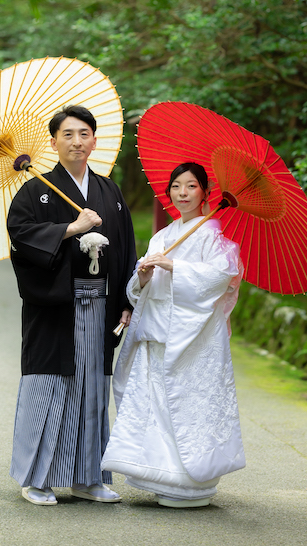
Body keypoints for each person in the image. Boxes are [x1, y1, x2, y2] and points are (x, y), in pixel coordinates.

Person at [7, 105, 136, 506]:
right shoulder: (35, 189)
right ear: (53, 142)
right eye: (68, 135)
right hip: (57, 307)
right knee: (50, 387)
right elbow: (21, 236)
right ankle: (37, 479)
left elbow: (126, 250)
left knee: (92, 391)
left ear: (94, 141)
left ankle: (88, 477)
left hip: (100, 306)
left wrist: (126, 300)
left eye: (84, 134)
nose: (77, 142)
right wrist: (69, 229)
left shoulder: (109, 192)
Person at [101, 162, 245, 508]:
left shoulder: (212, 235)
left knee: (186, 404)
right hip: (157, 331)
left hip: (193, 338)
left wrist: (176, 267)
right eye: (176, 186)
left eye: (191, 186)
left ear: (204, 193)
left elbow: (221, 275)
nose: (183, 193)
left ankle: (192, 485)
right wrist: (144, 276)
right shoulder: (163, 236)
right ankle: (158, 475)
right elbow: (138, 290)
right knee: (156, 405)